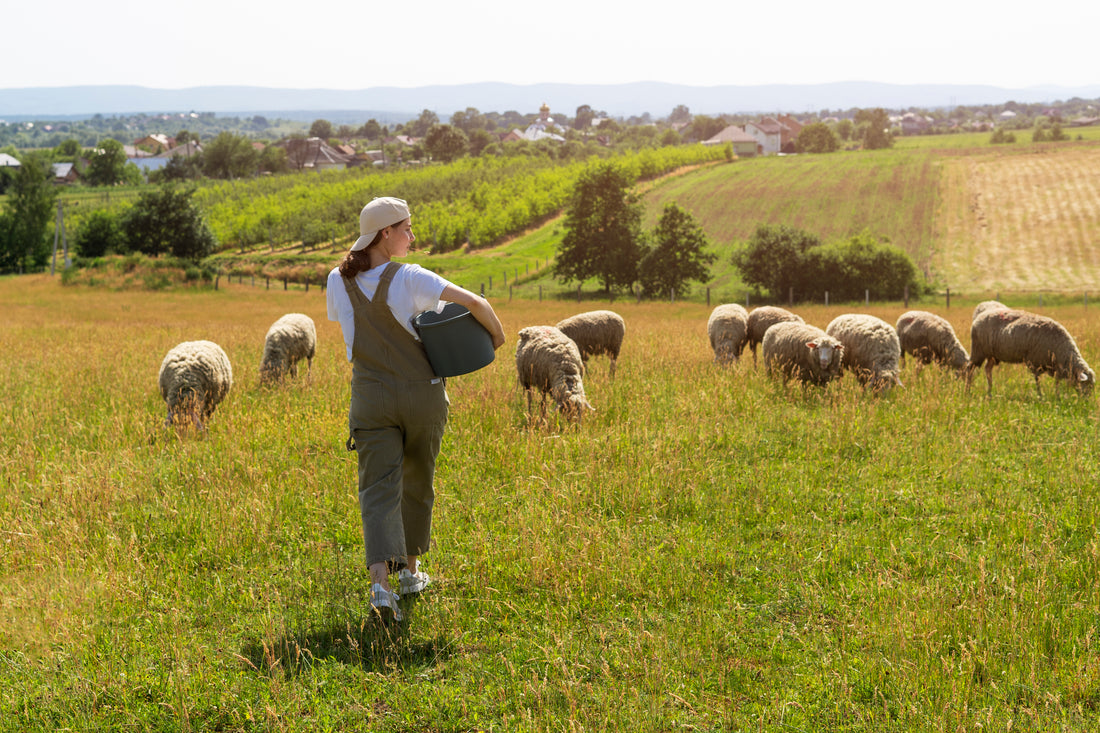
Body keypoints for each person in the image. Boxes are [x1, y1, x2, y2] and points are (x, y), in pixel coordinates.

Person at [326, 196, 505, 622]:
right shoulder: (411, 277)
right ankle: (410, 572)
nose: (412, 236)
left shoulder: (337, 279)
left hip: (370, 397)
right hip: (421, 396)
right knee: (417, 480)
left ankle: (380, 589)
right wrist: (496, 342)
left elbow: (350, 331)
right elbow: (475, 304)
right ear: (385, 233)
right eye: (406, 228)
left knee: (377, 490)